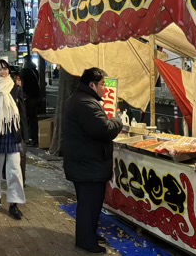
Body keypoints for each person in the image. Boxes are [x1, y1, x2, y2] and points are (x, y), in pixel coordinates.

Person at [63, 68, 122, 254]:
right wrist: (117, 121)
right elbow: (104, 129)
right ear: (92, 85)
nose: (105, 88)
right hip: (88, 164)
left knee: (90, 204)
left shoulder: (79, 99)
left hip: (85, 163)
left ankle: (89, 234)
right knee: (89, 205)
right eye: (102, 84)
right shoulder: (85, 103)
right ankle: (86, 241)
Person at [0, 59, 27, 220]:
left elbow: (22, 113)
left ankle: (14, 203)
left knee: (15, 170)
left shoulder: (16, 89)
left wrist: (25, 135)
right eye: (0, 69)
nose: (3, 72)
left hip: (13, 134)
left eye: (5, 69)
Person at [20, 54, 41, 147]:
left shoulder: (24, 71)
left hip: (28, 98)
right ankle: (34, 138)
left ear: (25, 61)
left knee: (25, 119)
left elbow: (21, 84)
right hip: (36, 97)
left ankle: (28, 138)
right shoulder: (35, 71)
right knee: (33, 119)